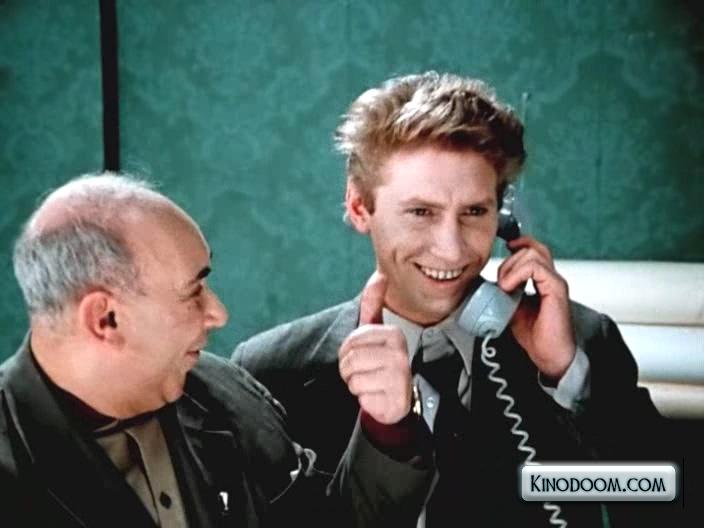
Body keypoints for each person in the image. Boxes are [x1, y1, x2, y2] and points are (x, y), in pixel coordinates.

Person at [233, 72, 678, 527]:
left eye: (475, 212)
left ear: (503, 218)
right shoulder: (271, 372)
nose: (452, 249)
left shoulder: (582, 343)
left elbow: (665, 495)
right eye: (421, 212)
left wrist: (567, 377)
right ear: (359, 207)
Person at [0, 174, 433, 527]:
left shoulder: (226, 392)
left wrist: (386, 426)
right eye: (194, 291)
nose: (218, 313)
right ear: (105, 319)